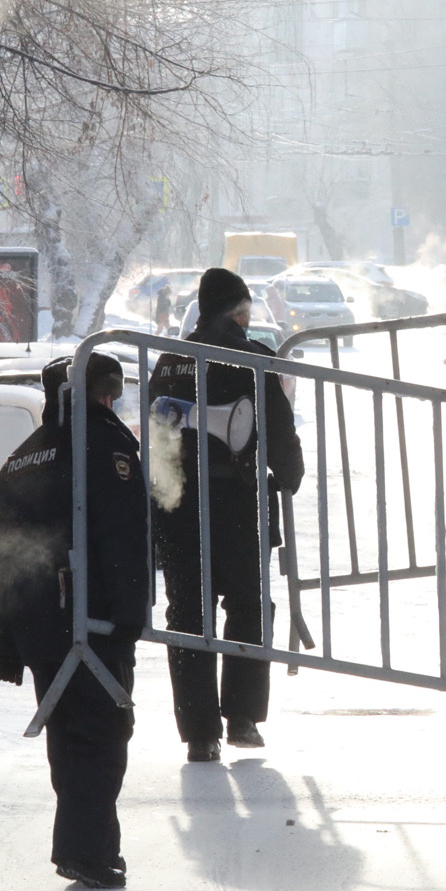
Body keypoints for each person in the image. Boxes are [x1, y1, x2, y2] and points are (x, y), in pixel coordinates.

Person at [0, 351, 148, 890]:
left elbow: (1, 559)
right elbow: (122, 537)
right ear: (86, 394)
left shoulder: (21, 458)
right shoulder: (106, 445)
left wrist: (7, 642)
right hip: (91, 616)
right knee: (102, 730)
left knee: (71, 731)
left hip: (37, 619)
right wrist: (130, 614)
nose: (112, 402)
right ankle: (84, 851)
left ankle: (96, 846)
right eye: (108, 392)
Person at [149, 268, 305, 763]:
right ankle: (240, 718)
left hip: (179, 508)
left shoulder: (170, 362)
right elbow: (280, 437)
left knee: (187, 615)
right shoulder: (254, 359)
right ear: (239, 312)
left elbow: (156, 441)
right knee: (248, 605)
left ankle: (199, 733)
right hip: (238, 504)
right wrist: (290, 474)